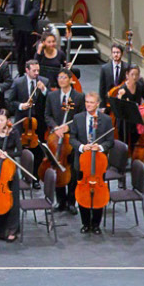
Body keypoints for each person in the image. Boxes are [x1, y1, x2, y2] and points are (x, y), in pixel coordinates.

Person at [69, 93, 138, 234]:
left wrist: (99, 148)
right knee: (83, 193)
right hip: (82, 163)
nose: (88, 104)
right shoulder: (77, 118)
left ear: (97, 104)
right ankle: (85, 223)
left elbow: (110, 141)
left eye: (91, 102)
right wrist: (82, 147)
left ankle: (96, 224)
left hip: (99, 163)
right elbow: (72, 138)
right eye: (87, 102)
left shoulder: (105, 120)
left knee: (99, 192)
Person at [44, 69, 85, 211]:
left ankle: (71, 202)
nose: (61, 80)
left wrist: (68, 128)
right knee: (57, 166)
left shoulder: (79, 97)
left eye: (64, 77)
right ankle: (60, 201)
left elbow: (80, 117)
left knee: (72, 170)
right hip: (56, 137)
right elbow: (47, 115)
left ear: (70, 79)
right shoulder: (51, 96)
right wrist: (56, 128)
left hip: (71, 138)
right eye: (59, 77)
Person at [0, 110, 27, 242]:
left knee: (12, 200)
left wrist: (7, 154)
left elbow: (20, 152)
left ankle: (12, 229)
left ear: (8, 121)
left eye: (2, 120)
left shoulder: (13, 132)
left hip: (10, 169)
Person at [6, 0, 41, 69]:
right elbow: (10, 6)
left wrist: (25, 20)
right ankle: (21, 72)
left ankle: (30, 71)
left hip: (30, 26)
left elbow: (35, 9)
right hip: (18, 26)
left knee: (30, 50)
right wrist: (12, 16)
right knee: (19, 50)